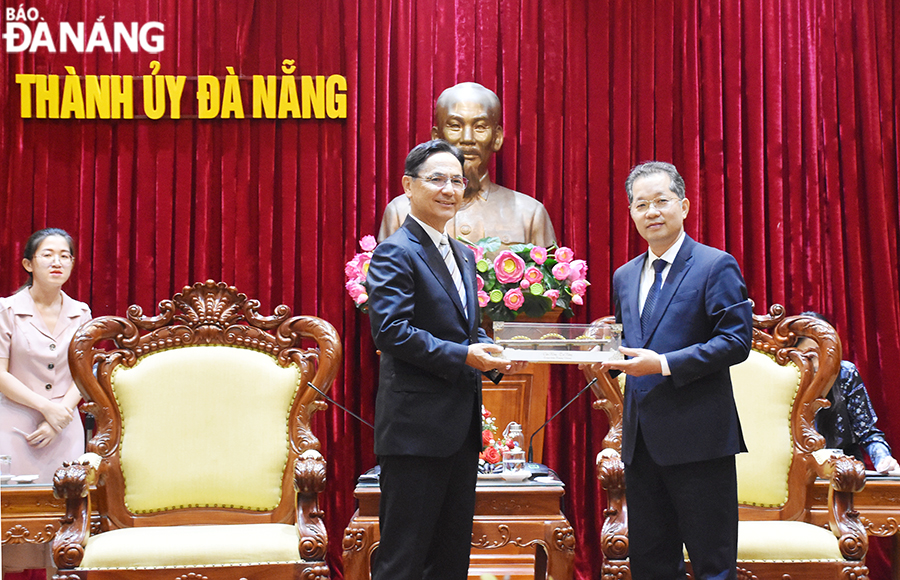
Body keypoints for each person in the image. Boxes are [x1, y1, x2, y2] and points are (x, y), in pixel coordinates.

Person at [366, 139, 525, 580]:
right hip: (415, 432)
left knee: (451, 557)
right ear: (408, 187)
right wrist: (465, 355)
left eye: (457, 180)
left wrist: (492, 355)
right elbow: (391, 332)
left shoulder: (462, 254)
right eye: (436, 179)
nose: (449, 188)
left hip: (460, 429)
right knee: (404, 558)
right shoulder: (395, 252)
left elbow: (464, 327)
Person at [598, 161, 753, 580]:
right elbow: (629, 344)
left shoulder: (714, 265)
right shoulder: (624, 276)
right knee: (650, 564)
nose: (652, 212)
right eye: (641, 204)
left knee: (712, 564)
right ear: (631, 213)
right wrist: (602, 351)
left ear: (683, 205)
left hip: (701, 440)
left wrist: (664, 365)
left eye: (662, 201)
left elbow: (736, 342)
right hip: (641, 443)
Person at [0, 228, 92, 577]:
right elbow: (0, 373)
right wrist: (47, 408)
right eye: (47, 255)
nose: (58, 262)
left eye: (65, 255)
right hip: (16, 427)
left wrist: (61, 413)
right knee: (12, 523)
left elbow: (83, 372)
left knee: (64, 521)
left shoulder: (81, 312)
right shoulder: (7, 310)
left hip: (65, 429)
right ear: (28, 263)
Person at [378, 82, 557, 251]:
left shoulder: (530, 215)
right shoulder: (401, 211)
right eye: (455, 126)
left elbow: (551, 281)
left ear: (497, 138)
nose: (467, 138)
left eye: (480, 127)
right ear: (436, 136)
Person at [800, 311, 900, 474]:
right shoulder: (784, 375)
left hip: (844, 468)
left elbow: (868, 432)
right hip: (796, 471)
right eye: (810, 356)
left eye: (824, 354)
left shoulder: (845, 373)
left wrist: (883, 458)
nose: (818, 365)